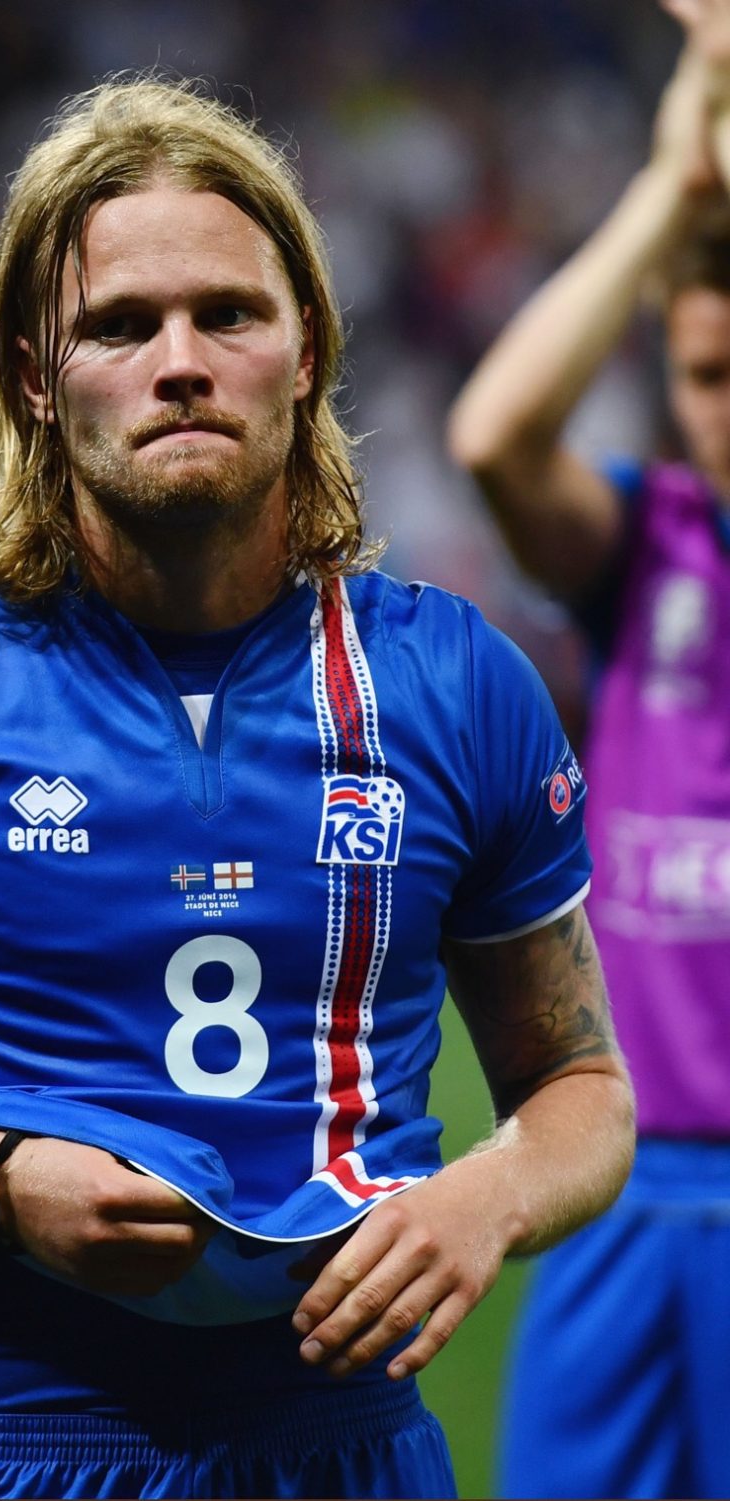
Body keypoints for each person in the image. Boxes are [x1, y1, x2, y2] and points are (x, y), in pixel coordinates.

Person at [0, 78, 635, 1501]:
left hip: (347, 1455)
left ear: (307, 350)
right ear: (35, 375)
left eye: (229, 314)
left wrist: (493, 1193)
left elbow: (580, 1084)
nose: (181, 362)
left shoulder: (457, 683)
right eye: (120, 325)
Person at [446, 4, 730, 1497]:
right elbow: (493, 434)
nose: (725, 411)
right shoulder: (651, 544)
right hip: (619, 1177)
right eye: (707, 376)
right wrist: (671, 189)